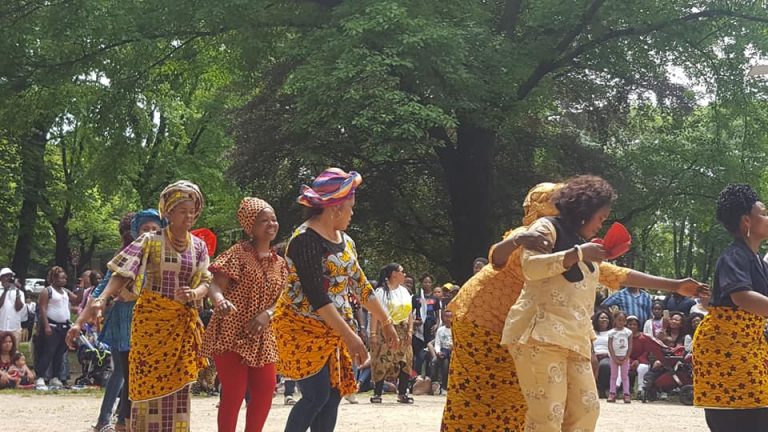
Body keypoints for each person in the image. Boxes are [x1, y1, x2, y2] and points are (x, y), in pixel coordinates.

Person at [500, 175, 707, 432]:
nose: (602, 224)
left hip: (573, 339)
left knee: (587, 409)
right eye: (600, 217)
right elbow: (530, 268)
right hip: (538, 335)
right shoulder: (547, 227)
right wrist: (576, 254)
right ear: (584, 212)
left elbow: (618, 275)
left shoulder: (585, 245)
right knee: (548, 415)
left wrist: (674, 285)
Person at [443, 182, 631, 431]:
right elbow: (496, 258)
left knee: (525, 399)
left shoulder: (568, 239)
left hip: (524, 326)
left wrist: (674, 285)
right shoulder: (534, 231)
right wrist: (518, 240)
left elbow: (609, 273)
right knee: (477, 394)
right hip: (481, 319)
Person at [271, 168, 398, 432]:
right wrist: (351, 336)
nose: (352, 214)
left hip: (335, 329)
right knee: (316, 395)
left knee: (333, 396)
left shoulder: (346, 241)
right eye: (350, 208)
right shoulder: (304, 240)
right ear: (335, 209)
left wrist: (385, 320)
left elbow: (361, 285)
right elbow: (317, 297)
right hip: (302, 329)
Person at [90, 181, 211, 432]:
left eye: (192, 211)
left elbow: (206, 281)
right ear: (168, 212)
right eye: (182, 211)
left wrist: (193, 293)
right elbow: (123, 272)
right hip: (150, 326)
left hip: (181, 326)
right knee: (146, 386)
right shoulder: (150, 240)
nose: (188, 216)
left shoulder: (199, 246)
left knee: (179, 390)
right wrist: (102, 298)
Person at [67, 210, 164, 432]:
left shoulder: (165, 257)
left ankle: (123, 421)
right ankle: (112, 421)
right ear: (135, 232)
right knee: (126, 373)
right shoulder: (128, 256)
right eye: (145, 229)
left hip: (153, 323)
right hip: (126, 321)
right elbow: (100, 291)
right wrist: (79, 322)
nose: (150, 234)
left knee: (134, 376)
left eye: (155, 230)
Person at [200, 197, 288, 432]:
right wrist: (219, 301)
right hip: (231, 329)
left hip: (262, 332)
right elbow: (214, 285)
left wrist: (267, 314)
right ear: (250, 226)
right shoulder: (237, 253)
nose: (271, 224)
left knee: (266, 390)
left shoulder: (280, 263)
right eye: (263, 220)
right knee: (234, 392)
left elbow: (283, 299)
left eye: (273, 219)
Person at [693, 184, 768, 430]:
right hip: (724, 347)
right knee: (740, 417)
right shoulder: (733, 256)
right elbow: (742, 297)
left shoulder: (758, 260)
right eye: (764, 213)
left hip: (748, 345)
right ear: (747, 220)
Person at [369, 263, 414, 404]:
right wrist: (373, 334)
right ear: (394, 274)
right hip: (386, 329)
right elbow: (375, 314)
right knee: (383, 360)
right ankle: (378, 392)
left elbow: (410, 313)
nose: (404, 274)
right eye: (402, 272)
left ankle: (402, 393)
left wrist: (410, 330)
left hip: (403, 329)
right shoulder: (381, 292)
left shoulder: (405, 292)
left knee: (406, 360)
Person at [35, 266, 76, 389]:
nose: (64, 280)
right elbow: (42, 308)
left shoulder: (65, 291)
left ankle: (55, 377)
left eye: (65, 277)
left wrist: (86, 288)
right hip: (52, 325)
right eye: (62, 277)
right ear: (54, 278)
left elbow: (77, 299)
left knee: (60, 353)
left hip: (64, 326)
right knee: (48, 351)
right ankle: (40, 377)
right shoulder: (48, 291)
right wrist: (46, 325)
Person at [625, 315, 665, 397]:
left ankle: (641, 390)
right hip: (627, 360)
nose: (632, 326)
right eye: (630, 324)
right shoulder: (623, 337)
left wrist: (638, 360)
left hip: (642, 360)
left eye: (634, 324)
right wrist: (631, 361)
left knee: (642, 368)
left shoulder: (644, 337)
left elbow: (646, 351)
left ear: (638, 326)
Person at [607, 311, 633, 403]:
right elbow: (610, 346)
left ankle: (626, 394)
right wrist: (614, 358)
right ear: (615, 320)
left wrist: (626, 358)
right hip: (614, 357)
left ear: (625, 321)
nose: (621, 322)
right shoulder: (611, 333)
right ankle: (612, 393)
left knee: (624, 376)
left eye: (623, 320)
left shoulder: (628, 332)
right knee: (613, 375)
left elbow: (630, 346)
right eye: (619, 320)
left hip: (624, 356)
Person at [429, 309, 453, 395]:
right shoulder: (440, 330)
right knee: (434, 361)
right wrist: (438, 352)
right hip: (443, 351)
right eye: (446, 316)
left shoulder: (455, 329)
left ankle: (444, 387)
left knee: (446, 364)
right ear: (443, 318)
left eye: (450, 317)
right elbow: (437, 343)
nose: (448, 319)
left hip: (452, 351)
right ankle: (435, 383)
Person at [592, 310, 614, 396]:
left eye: (606, 318)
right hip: (593, 355)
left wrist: (607, 354)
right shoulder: (592, 332)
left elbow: (615, 347)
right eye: (602, 318)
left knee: (605, 365)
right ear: (597, 320)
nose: (604, 319)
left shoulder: (612, 332)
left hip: (607, 355)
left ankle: (602, 388)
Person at [0, 268, 25, 343]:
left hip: (14, 327)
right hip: (1, 327)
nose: (8, 278)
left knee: (14, 351)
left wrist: (17, 290)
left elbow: (18, 308)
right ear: (1, 278)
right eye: (6, 276)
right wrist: (5, 291)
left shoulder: (19, 292)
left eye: (10, 276)